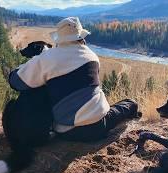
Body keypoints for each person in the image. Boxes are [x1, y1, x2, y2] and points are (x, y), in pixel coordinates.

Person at [8, 17, 141, 141]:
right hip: (98, 126)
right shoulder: (92, 56)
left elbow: (15, 82)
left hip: (66, 131)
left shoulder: (47, 58)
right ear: (81, 37)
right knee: (129, 103)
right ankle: (132, 108)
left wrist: (27, 65)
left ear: (59, 39)